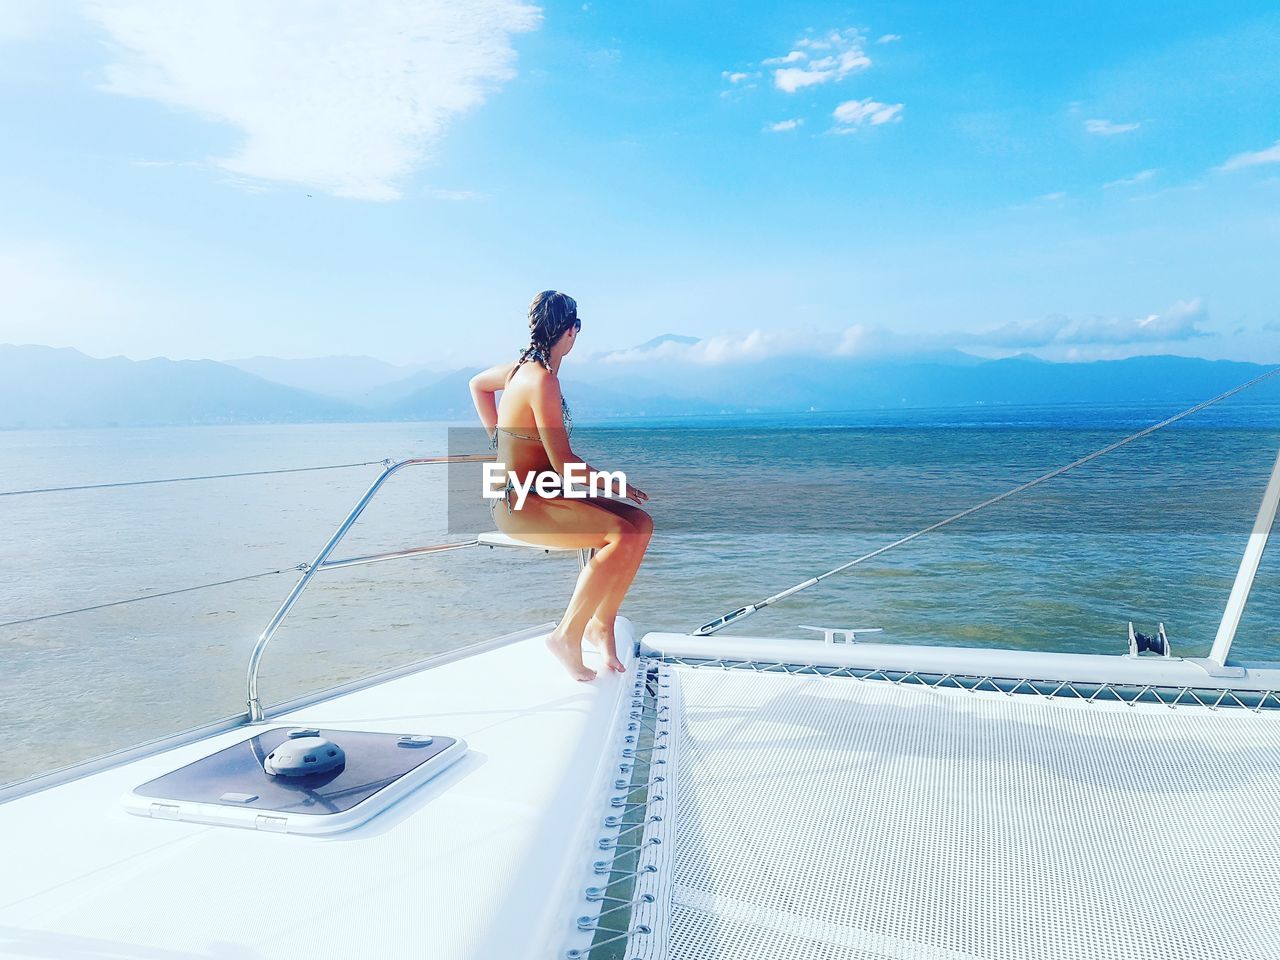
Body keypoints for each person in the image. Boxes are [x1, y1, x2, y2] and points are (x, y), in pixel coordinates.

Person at [469, 291, 652, 681]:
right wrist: (615, 483)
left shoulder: (519, 369)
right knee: (620, 534)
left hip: (541, 491)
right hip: (519, 503)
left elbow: (477, 386)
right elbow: (565, 464)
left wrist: (496, 438)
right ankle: (566, 634)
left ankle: (601, 623)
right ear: (572, 331)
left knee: (641, 524)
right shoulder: (541, 380)